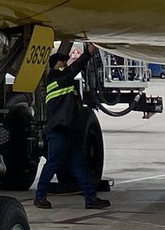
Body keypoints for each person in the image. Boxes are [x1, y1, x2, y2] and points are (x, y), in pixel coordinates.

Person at [33, 44, 111, 211]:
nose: (65, 64)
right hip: (59, 130)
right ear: (56, 65)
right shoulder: (56, 78)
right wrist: (88, 54)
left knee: (80, 166)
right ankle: (40, 197)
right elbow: (75, 69)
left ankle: (91, 199)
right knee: (53, 164)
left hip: (70, 130)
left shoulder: (64, 81)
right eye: (63, 62)